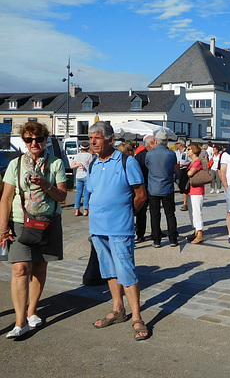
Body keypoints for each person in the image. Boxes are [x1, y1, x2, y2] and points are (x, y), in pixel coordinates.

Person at [0, 122, 67, 339]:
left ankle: (32, 311)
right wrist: (2, 227)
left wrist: (46, 184)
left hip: (47, 222)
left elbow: (62, 196)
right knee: (20, 268)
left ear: (45, 139)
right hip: (19, 222)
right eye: (29, 139)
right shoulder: (16, 164)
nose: (34, 143)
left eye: (38, 138)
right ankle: (20, 323)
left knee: (39, 268)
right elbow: (6, 197)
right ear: (24, 142)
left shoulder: (55, 163)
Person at [85, 121, 148, 341]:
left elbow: (140, 195)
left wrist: (125, 215)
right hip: (98, 228)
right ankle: (118, 309)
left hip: (120, 228)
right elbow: (93, 193)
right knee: (110, 271)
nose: (92, 141)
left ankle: (137, 318)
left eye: (97, 137)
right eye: (91, 137)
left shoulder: (126, 161)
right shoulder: (93, 163)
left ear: (110, 140)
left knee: (127, 272)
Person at [146, 130, 179, 248]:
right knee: (170, 214)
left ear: (155, 141)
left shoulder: (149, 154)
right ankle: (173, 239)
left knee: (155, 214)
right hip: (167, 187)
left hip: (153, 188)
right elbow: (174, 167)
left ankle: (156, 240)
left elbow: (147, 166)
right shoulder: (171, 154)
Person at [133, 134, 156, 243]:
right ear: (150, 144)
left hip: (152, 186)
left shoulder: (152, 154)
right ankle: (140, 233)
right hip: (144, 186)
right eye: (154, 142)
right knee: (142, 212)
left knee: (154, 211)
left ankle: (155, 231)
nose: (156, 144)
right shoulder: (140, 156)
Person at [186, 144, 206, 244]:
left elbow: (190, 173)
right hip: (191, 190)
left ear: (194, 151)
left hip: (197, 190)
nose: (187, 151)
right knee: (192, 211)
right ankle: (195, 230)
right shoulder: (192, 162)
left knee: (197, 211)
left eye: (189, 149)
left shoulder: (198, 161)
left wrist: (186, 171)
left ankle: (199, 233)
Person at [71, 142, 93, 216]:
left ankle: (77, 210)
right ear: (88, 148)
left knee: (78, 193)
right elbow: (91, 166)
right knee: (86, 193)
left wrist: (78, 164)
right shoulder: (89, 155)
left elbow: (72, 166)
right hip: (86, 175)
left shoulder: (78, 155)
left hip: (78, 176)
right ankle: (85, 210)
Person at [175, 139, 190, 211]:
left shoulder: (187, 152)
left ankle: (185, 203)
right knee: (180, 186)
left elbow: (191, 162)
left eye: (177, 143)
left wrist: (183, 165)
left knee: (184, 187)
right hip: (177, 170)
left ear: (181, 144)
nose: (176, 145)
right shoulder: (176, 152)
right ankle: (186, 202)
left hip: (185, 170)